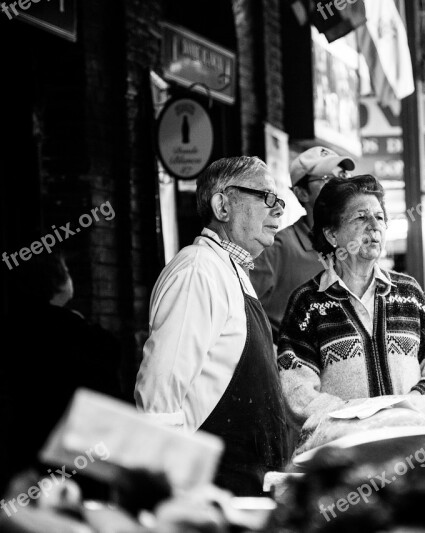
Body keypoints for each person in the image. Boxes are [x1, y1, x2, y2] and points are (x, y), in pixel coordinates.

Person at [135, 156, 289, 496]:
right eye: (266, 197)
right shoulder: (198, 270)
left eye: (280, 201)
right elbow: (159, 395)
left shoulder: (233, 272)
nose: (278, 210)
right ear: (222, 205)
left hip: (246, 488)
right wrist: (173, 493)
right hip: (211, 493)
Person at [277, 175, 425, 427]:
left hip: (413, 442)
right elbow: (296, 392)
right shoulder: (307, 304)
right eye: (361, 217)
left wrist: (414, 404)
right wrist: (363, 418)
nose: (374, 226)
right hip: (346, 456)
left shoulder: (409, 293)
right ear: (332, 234)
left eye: (380, 217)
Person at [1, 253, 121, 490]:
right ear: (55, 280)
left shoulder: (13, 325)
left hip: (20, 448)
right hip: (68, 450)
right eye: (66, 271)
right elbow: (111, 356)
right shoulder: (74, 331)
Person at [252, 146, 355, 338]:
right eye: (328, 179)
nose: (342, 185)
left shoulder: (355, 246)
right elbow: (237, 312)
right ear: (301, 193)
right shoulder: (276, 250)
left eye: (343, 175)